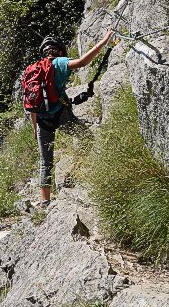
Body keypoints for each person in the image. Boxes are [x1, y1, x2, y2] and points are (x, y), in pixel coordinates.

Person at [33, 29, 114, 208]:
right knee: (86, 137)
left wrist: (34, 128)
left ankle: (45, 201)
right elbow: (83, 62)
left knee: (45, 161)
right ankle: (75, 171)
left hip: (42, 121)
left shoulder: (34, 69)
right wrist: (104, 40)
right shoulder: (59, 62)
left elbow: (30, 104)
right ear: (59, 51)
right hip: (60, 115)